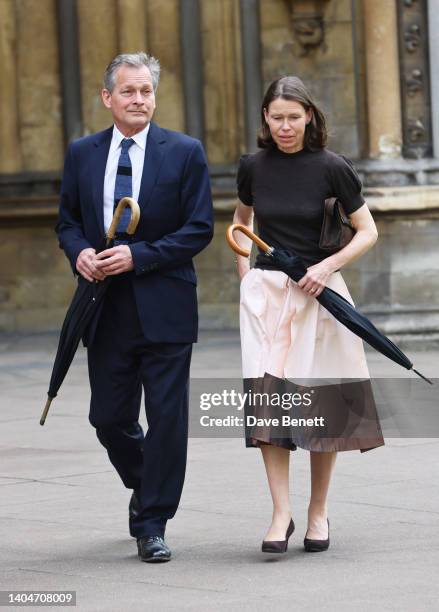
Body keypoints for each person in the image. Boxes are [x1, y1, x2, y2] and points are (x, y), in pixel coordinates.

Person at [56, 52, 213, 563]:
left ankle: (152, 522)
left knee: (168, 420)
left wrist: (138, 255)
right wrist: (79, 251)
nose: (139, 99)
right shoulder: (82, 153)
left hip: (165, 305)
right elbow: (68, 221)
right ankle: (148, 484)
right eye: (128, 91)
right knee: (108, 417)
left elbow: (198, 229)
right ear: (108, 98)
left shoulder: (184, 152)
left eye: (146, 91)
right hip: (105, 307)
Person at [233, 76, 384, 554]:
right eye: (276, 117)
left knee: (322, 407)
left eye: (293, 118)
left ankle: (318, 511)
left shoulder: (333, 168)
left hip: (321, 294)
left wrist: (326, 266)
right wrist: (246, 279)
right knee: (268, 405)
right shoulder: (253, 167)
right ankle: (281, 513)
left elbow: (367, 231)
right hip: (268, 298)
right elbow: (240, 223)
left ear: (310, 117)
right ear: (265, 118)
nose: (284, 126)